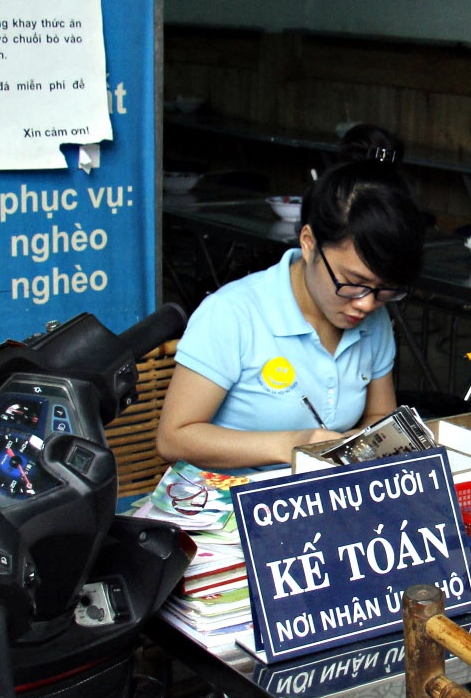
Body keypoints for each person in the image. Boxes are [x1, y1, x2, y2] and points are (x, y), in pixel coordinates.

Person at [157, 158, 425, 472]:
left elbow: (379, 418)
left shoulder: (372, 320)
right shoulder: (234, 313)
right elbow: (173, 439)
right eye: (353, 283)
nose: (366, 304)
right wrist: (292, 445)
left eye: (386, 290)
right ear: (309, 243)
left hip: (319, 499)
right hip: (227, 506)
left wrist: (350, 448)